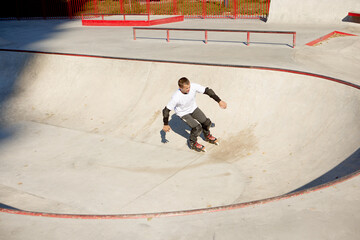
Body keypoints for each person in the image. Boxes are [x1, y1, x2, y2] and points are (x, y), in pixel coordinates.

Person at [162, 77, 227, 152]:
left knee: (207, 122)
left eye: (189, 87)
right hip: (183, 113)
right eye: (186, 88)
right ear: (180, 87)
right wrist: (166, 124)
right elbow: (166, 110)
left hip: (193, 109)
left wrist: (219, 101)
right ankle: (193, 143)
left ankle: (207, 135)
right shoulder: (176, 97)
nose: (189, 89)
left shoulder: (193, 86)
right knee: (197, 128)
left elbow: (207, 91)